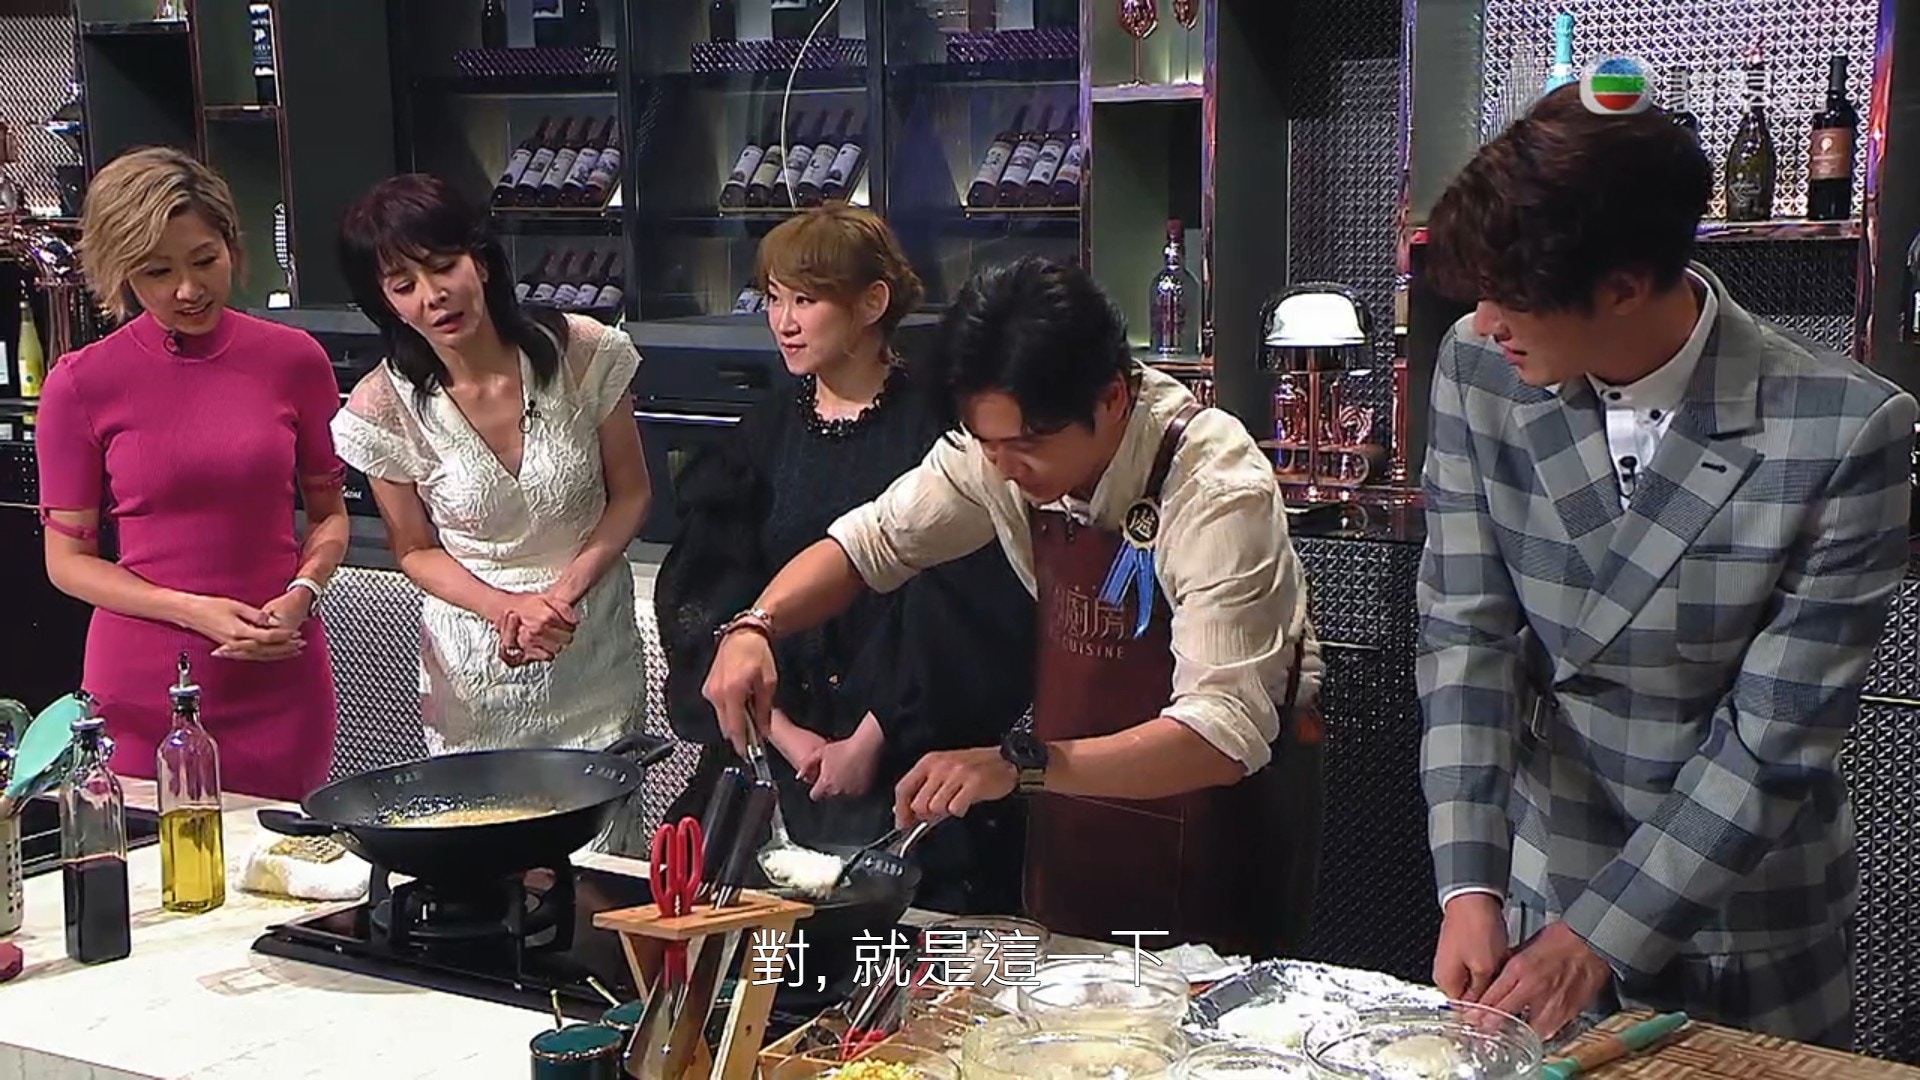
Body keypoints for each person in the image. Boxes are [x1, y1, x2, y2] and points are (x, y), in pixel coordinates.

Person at [1416, 85, 1916, 1048]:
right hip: (1545, 886)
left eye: (1513, 298)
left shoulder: (1841, 428)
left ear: (1623, 285)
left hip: (1747, 917)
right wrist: (1469, 881)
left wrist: (1597, 939)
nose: (1485, 321)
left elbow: (1775, 738)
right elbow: (1464, 634)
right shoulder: (1477, 375)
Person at [701, 255, 1324, 956]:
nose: (1002, 468)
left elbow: (1223, 732)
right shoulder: (997, 451)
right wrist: (756, 626)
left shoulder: (1217, 489)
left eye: (1026, 446)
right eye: (987, 444)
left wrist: (1020, 767)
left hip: (1214, 823)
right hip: (1075, 808)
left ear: (1112, 398)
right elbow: (872, 542)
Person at [655, 205, 1035, 915]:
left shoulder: (943, 432)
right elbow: (710, 596)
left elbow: (969, 602)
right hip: (777, 752)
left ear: (872, 303)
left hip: (915, 749)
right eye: (773, 299)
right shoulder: (762, 433)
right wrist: (784, 735)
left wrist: (871, 736)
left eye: (806, 300)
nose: (783, 322)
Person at [36, 146, 347, 801]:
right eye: (158, 272)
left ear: (232, 245)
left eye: (205, 260)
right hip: (143, 687)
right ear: (124, 274)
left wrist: (303, 592)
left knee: (285, 859)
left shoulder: (295, 361)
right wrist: (192, 611)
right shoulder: (80, 384)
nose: (188, 289)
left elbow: (329, 515)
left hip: (278, 673)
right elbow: (67, 563)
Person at [330, 175, 652, 789]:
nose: (434, 296)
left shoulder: (583, 351)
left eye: (443, 266)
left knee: (601, 837)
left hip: (593, 654)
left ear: (479, 261)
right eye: (404, 285)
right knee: (486, 831)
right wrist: (506, 608)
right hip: (475, 671)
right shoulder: (382, 407)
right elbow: (414, 549)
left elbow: (632, 493)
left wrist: (561, 598)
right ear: (386, 302)